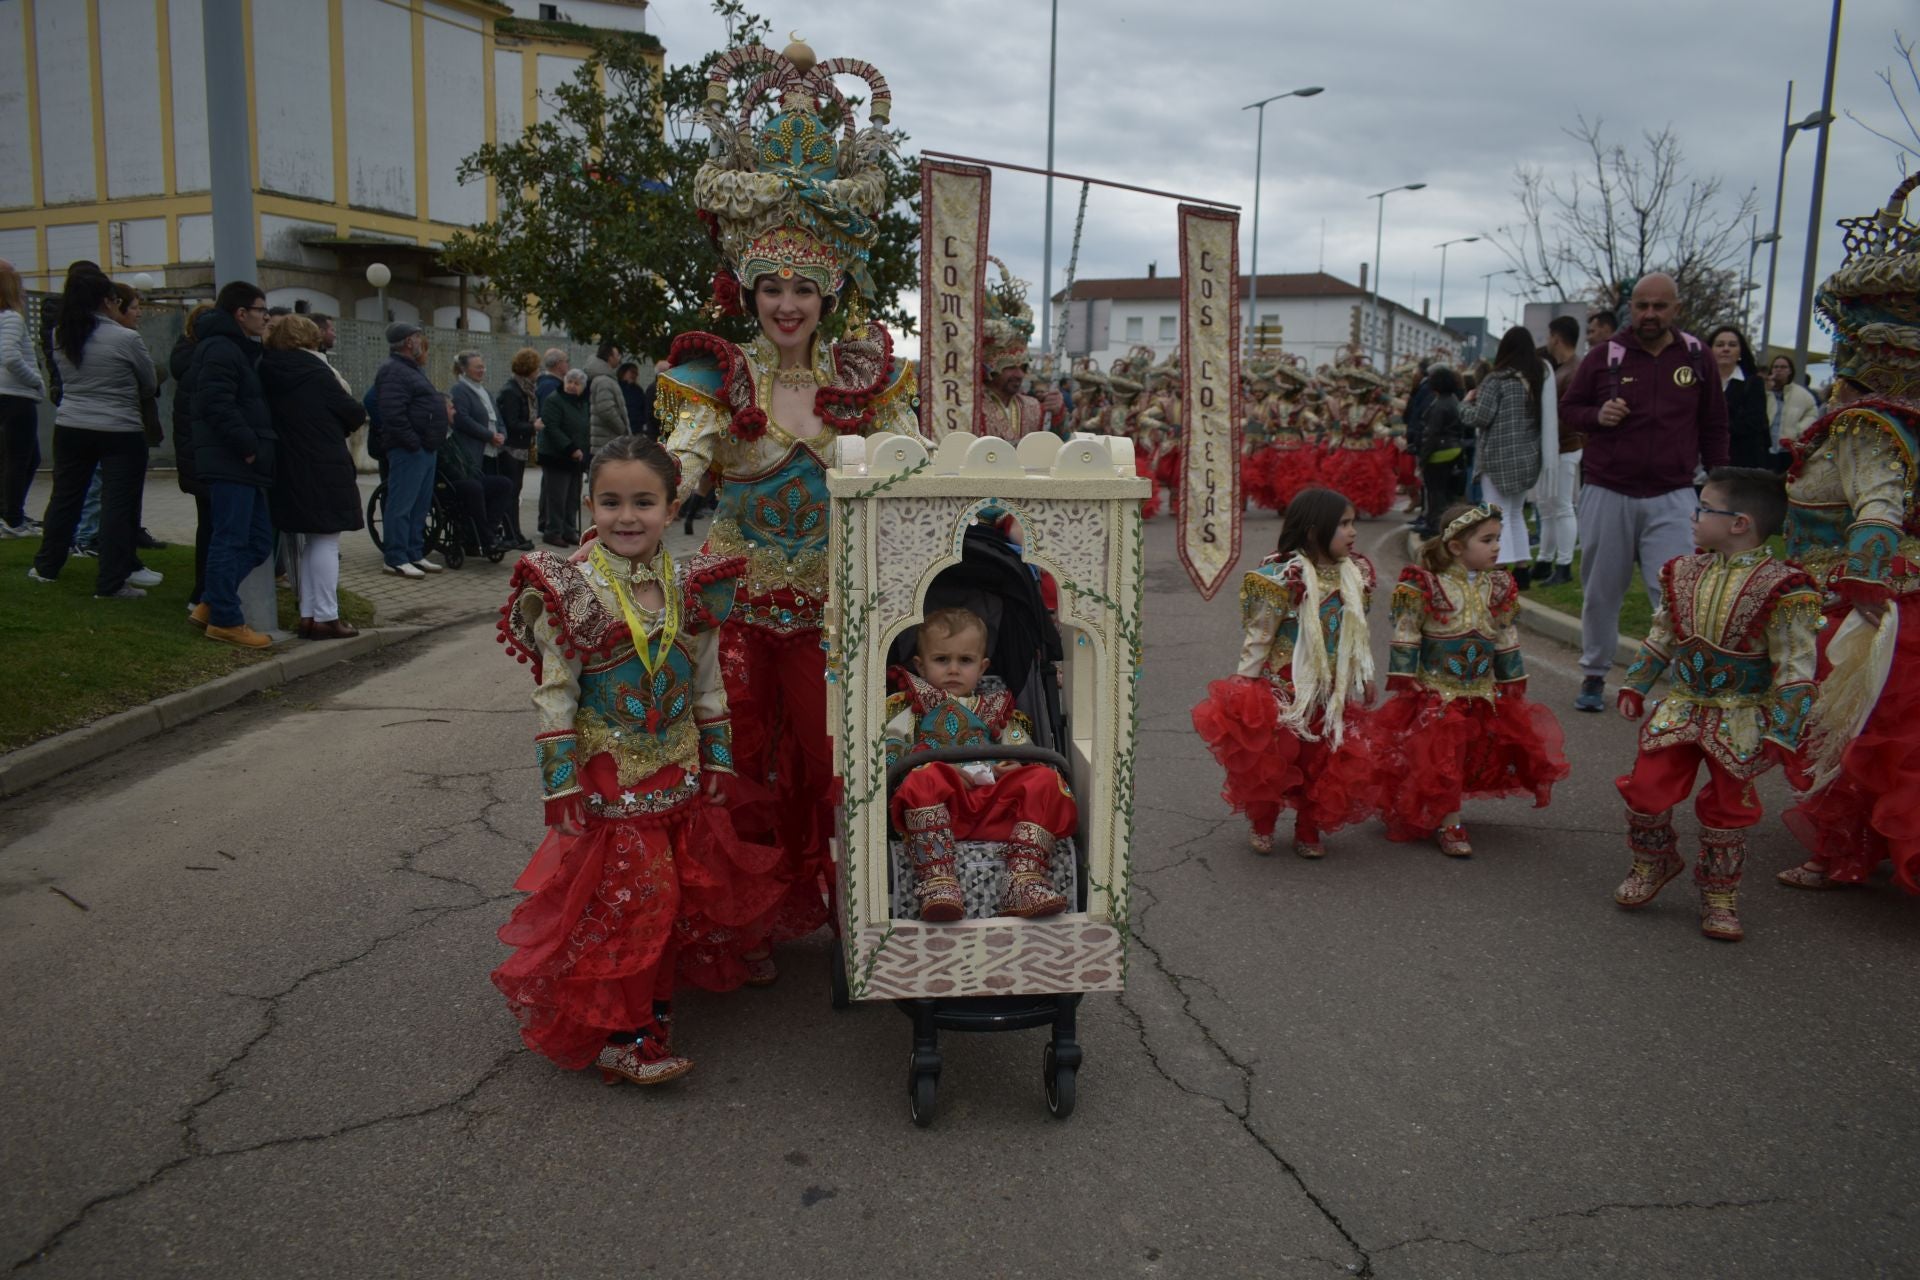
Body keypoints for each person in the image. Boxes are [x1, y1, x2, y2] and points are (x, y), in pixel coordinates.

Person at [659, 35, 921, 956]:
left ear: (828, 292)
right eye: (770, 287)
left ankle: (855, 907)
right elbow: (682, 462)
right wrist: (638, 513)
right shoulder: (715, 374)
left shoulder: (868, 376)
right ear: (748, 291)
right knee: (738, 762)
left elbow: (911, 466)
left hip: (836, 610)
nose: (785, 303)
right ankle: (746, 924)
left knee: (839, 759)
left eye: (802, 288)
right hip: (734, 608)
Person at [493, 435, 777, 1086]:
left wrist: (718, 763)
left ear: (672, 509)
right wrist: (560, 785)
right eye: (612, 502)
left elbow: (707, 684)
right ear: (589, 505)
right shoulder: (570, 593)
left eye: (644, 502)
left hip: (677, 775)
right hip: (610, 780)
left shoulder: (693, 588)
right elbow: (556, 695)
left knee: (667, 900)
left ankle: (649, 1017)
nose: (627, 516)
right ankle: (624, 1037)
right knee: (638, 897)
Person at [1776, 174, 1920, 896]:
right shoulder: (1895, 421)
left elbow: (1878, 512)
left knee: (1857, 725)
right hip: (1893, 595)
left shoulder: (1870, 426)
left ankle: (1841, 852)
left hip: (1875, 604)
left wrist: (1864, 590)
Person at [1609, 468, 1815, 941]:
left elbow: (1796, 666)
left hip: (1741, 715)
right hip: (1682, 706)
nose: (1694, 516)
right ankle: (1653, 861)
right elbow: (1663, 634)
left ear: (1740, 523)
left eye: (1704, 508)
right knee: (1646, 789)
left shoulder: (1786, 588)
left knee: (1729, 809)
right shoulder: (1682, 570)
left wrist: (1784, 729)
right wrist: (1636, 684)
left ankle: (1720, 893)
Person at [1559, 272, 1728, 712]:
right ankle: (1594, 673)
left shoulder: (1696, 357)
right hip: (1608, 489)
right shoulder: (1604, 356)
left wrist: (1718, 483)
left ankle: (1686, 683)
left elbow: (1714, 423)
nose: (1649, 314)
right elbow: (1570, 409)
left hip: (1673, 493)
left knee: (1676, 594)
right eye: (1641, 306)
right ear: (1630, 308)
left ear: (1676, 309)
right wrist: (1598, 416)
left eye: (1659, 306)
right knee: (1601, 590)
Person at [1370, 503, 1569, 857]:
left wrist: (1511, 677)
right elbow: (1407, 629)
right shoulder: (1427, 585)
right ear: (1456, 547)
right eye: (1487, 540)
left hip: (1480, 690)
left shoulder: (1498, 586)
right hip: (1437, 690)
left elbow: (1505, 633)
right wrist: (1404, 673)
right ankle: (1451, 824)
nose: (1497, 547)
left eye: (1498, 539)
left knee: (1471, 755)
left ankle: (1438, 807)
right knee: (1443, 755)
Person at [1191, 488, 1379, 859]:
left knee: (1321, 762)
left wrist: (1364, 674)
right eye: (1344, 524)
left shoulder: (1354, 576)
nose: (1353, 532)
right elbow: (1260, 635)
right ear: (1314, 531)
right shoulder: (1283, 578)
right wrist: (1245, 683)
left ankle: (1308, 827)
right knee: (1275, 761)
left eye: (1353, 523)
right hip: (1283, 692)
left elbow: (1355, 634)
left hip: (1330, 691)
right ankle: (1264, 822)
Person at [885, 607, 1076, 921]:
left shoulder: (999, 711)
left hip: (994, 808)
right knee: (923, 777)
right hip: (940, 811)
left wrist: (1014, 766)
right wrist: (937, 771)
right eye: (941, 659)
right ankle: (938, 881)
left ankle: (1023, 877)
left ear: (983, 666)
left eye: (965, 660)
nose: (953, 670)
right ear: (920, 665)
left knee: (1044, 777)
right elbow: (891, 765)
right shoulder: (909, 711)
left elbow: (1026, 755)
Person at [27, 269, 161, 600]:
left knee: (65, 498)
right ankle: (111, 582)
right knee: (117, 506)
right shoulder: (126, 338)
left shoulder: (62, 335)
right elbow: (149, 383)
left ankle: (46, 566)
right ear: (106, 301)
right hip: (119, 429)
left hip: (71, 425)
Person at [259, 314, 367, 639]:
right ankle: (326, 616)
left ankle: (308, 614)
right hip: (323, 462)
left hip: (288, 463)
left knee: (310, 540)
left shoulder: (267, 368)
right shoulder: (316, 370)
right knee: (326, 540)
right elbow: (353, 412)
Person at [181, 280, 275, 646]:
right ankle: (225, 619)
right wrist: (247, 444)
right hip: (231, 459)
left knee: (259, 540)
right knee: (231, 538)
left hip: (241, 461)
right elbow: (215, 401)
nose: (266, 318)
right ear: (241, 313)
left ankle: (212, 601)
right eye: (261, 311)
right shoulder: (220, 348)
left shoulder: (235, 347)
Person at [1459, 327, 1550, 587]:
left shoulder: (1496, 380)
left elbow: (1481, 417)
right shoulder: (1536, 380)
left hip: (1498, 459)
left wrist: (1465, 404)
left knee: (1496, 516)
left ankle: (1499, 569)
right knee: (1515, 514)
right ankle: (1521, 570)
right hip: (1527, 459)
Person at [371, 322, 446, 579]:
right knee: (401, 505)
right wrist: (413, 442)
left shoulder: (411, 369)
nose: (421, 341)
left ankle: (414, 552)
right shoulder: (394, 370)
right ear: (408, 342)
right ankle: (395, 558)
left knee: (419, 505)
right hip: (409, 449)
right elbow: (393, 412)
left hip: (424, 448)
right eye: (417, 337)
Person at [169, 304, 213, 622]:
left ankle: (203, 593)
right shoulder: (205, 365)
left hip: (195, 458)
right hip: (209, 459)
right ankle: (204, 596)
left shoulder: (187, 361)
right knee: (215, 528)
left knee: (208, 526)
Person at [1532, 315, 1583, 584]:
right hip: (1556, 447)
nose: (1548, 341)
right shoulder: (1563, 369)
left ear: (1556, 337)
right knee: (1548, 507)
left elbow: (1569, 415)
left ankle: (1563, 564)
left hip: (1565, 446)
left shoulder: (1573, 371)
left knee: (1562, 506)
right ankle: (1545, 559)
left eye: (1549, 336)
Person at [0, 258, 47, 537]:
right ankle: (13, 519)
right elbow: (9, 356)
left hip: (7, 396)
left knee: (18, 457)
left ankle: (10, 512)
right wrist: (35, 380)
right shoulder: (11, 318)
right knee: (21, 458)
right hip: (16, 396)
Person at [978, 259, 1045, 441]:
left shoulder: (1033, 407)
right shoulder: (972, 406)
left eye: (1022, 367)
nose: (1019, 374)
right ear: (990, 367)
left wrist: (1057, 413)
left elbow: (1057, 443)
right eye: (1009, 366)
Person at [493, 347, 541, 546]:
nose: (538, 372)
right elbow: (510, 422)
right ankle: (511, 533)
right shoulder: (512, 391)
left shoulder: (523, 389)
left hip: (519, 448)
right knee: (511, 492)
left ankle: (514, 532)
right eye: (536, 368)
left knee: (515, 491)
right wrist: (532, 427)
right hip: (511, 449)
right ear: (529, 369)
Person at [1412, 364, 1466, 536]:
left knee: (1435, 493)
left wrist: (1422, 459)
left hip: (1438, 453)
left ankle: (1434, 526)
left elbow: (1431, 434)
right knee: (1447, 493)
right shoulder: (1453, 400)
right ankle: (1445, 525)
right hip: (1453, 449)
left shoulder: (1439, 405)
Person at [537, 368, 589, 546]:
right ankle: (553, 532)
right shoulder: (554, 400)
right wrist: (571, 448)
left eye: (577, 383)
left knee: (573, 497)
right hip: (557, 456)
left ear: (583, 387)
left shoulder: (582, 402)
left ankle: (569, 530)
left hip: (576, 457)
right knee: (557, 497)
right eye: (570, 382)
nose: (572, 386)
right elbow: (552, 427)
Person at [1708, 326, 1769, 469]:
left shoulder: (1754, 383)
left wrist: (1711, 428)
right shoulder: (1700, 381)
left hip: (1741, 461)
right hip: (1701, 460)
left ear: (1740, 352)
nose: (1726, 349)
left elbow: (1754, 422)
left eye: (1732, 345)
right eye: (1720, 345)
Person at [1762, 354, 1819, 471]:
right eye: (1775, 367)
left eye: (1783, 367)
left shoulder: (1802, 394)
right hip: (1765, 448)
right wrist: (1766, 390)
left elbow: (1812, 414)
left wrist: (1799, 430)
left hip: (1787, 449)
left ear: (1790, 371)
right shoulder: (1764, 391)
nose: (1779, 370)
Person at [584, 340, 627, 453]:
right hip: (608, 441)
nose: (619, 358)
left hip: (606, 441)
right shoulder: (604, 381)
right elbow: (606, 410)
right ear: (610, 357)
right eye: (617, 355)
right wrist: (622, 429)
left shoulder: (604, 378)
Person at [617, 359, 654, 439]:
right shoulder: (617, 388)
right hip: (621, 430)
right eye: (632, 372)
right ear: (623, 372)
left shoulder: (638, 390)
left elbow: (645, 408)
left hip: (637, 430)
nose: (635, 375)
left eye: (636, 373)